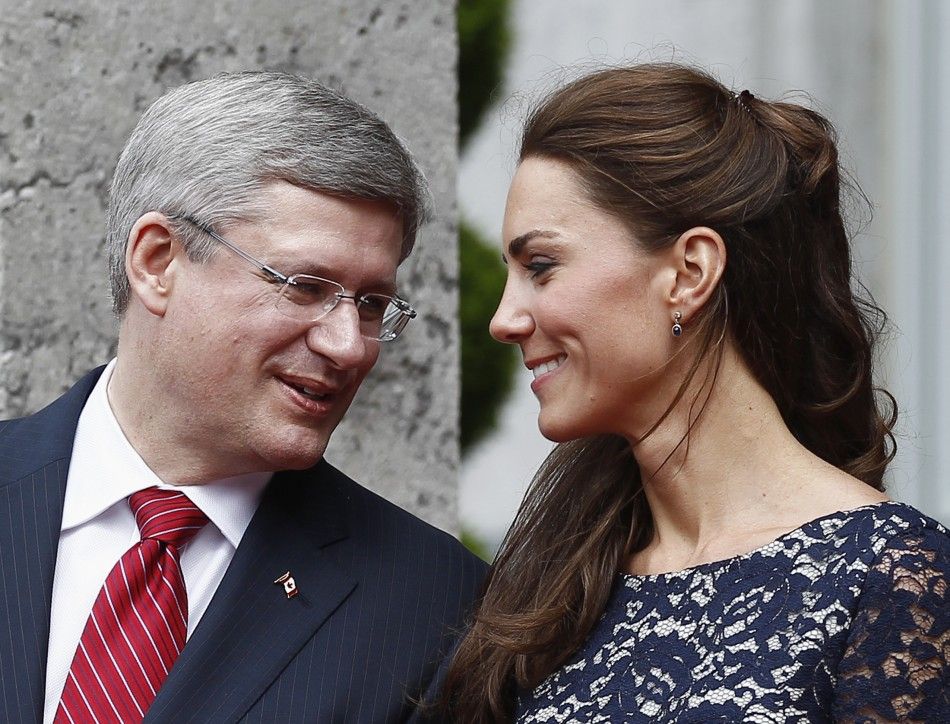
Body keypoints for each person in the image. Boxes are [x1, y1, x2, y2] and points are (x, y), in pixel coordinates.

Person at [439, 63, 950, 722]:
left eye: (541, 267)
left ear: (688, 272)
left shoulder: (893, 577)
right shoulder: (553, 594)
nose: (504, 319)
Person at [0, 71, 485, 723]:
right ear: (157, 262)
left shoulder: (438, 607)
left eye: (371, 304)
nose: (348, 346)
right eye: (306, 286)